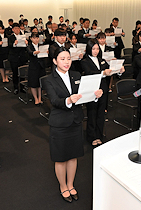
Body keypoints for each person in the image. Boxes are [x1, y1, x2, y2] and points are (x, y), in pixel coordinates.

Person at [44, 47, 102, 203]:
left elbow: (84, 95)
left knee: (73, 156)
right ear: (55, 61)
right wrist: (68, 100)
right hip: (59, 123)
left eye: (68, 58)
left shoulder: (76, 75)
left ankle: (71, 184)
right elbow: (55, 101)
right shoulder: (48, 80)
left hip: (75, 121)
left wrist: (95, 96)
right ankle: (63, 186)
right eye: (62, 59)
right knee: (61, 158)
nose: (66, 62)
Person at [81, 39, 124, 146]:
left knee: (101, 114)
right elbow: (89, 73)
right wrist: (103, 73)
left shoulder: (102, 60)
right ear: (89, 49)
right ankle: (91, 136)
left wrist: (118, 71)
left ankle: (99, 135)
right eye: (93, 48)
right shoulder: (84, 61)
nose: (95, 51)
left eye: (97, 48)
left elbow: (109, 71)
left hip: (103, 89)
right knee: (92, 114)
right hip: (92, 90)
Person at [8, 23, 28, 94]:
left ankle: (22, 87)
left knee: (22, 73)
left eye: (18, 28)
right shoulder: (11, 37)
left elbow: (25, 48)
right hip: (14, 58)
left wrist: (26, 43)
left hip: (22, 57)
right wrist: (14, 44)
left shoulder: (22, 36)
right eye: (16, 28)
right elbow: (9, 46)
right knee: (15, 73)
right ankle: (16, 87)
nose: (17, 30)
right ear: (13, 29)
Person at [26, 33, 46, 105]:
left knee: (40, 84)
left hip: (41, 67)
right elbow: (30, 52)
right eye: (34, 38)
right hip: (33, 67)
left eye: (37, 38)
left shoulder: (41, 46)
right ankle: (35, 98)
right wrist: (34, 52)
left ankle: (40, 98)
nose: (36, 39)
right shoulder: (29, 46)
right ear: (31, 38)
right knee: (33, 83)